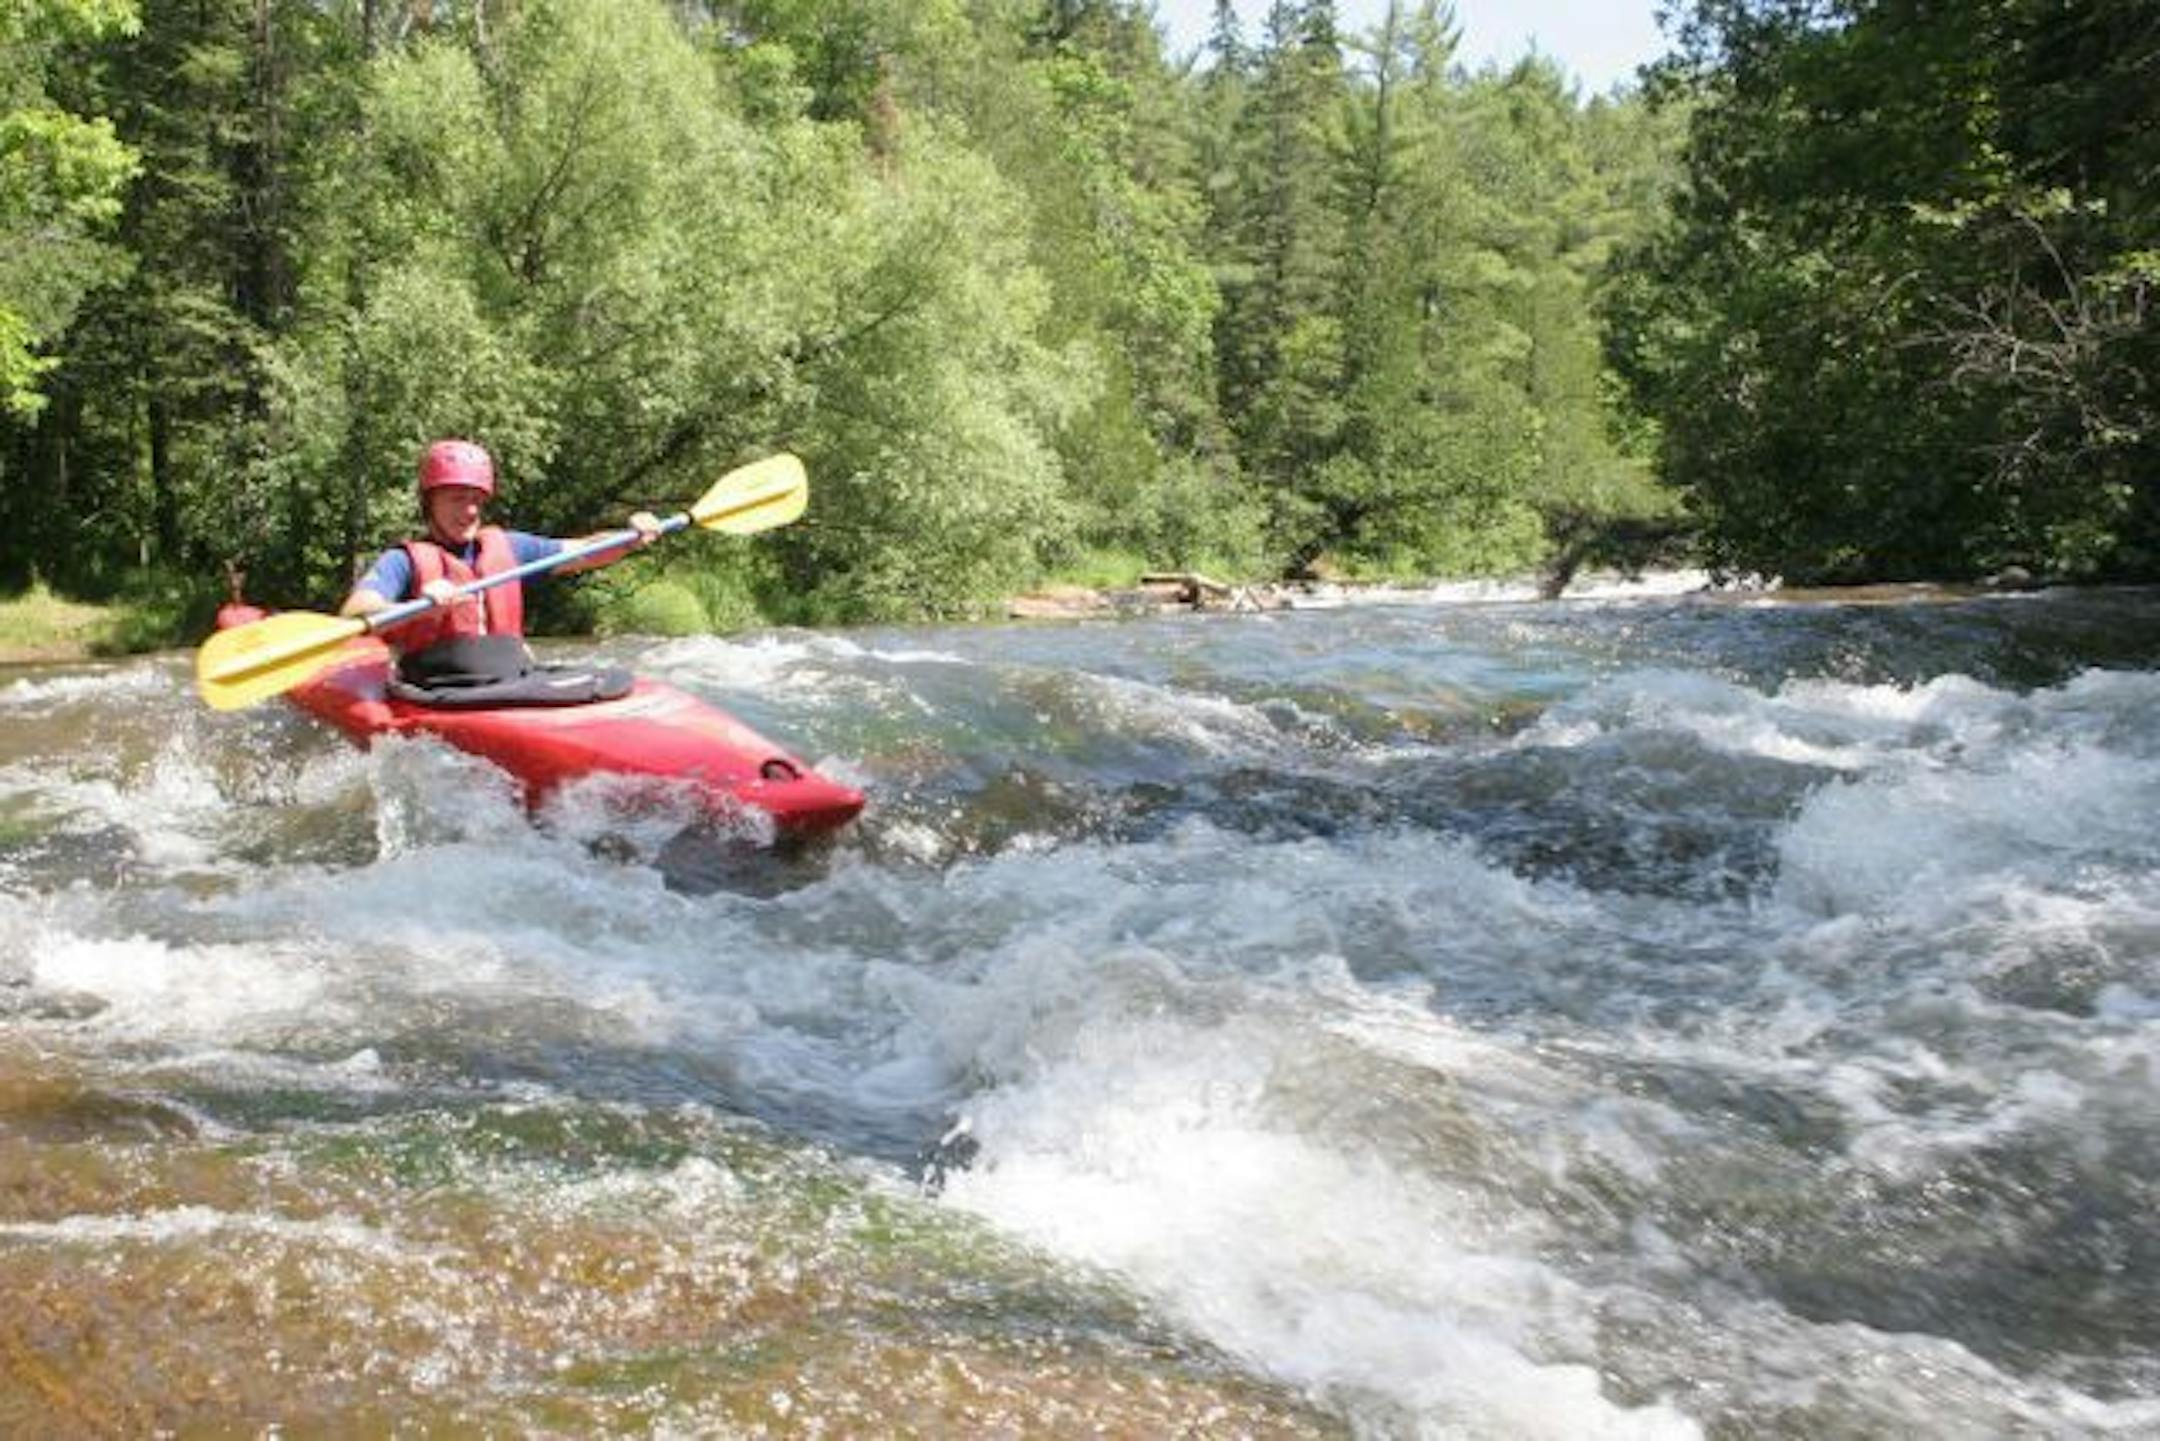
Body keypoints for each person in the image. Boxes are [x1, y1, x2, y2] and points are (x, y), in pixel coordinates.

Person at [341, 438, 662, 704]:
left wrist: (628, 538)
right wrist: (416, 609)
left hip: (513, 680)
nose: (468, 511)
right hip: (442, 689)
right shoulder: (403, 560)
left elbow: (583, 553)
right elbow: (355, 613)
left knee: (612, 679)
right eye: (456, 499)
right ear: (429, 503)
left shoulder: (509, 546)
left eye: (475, 500)